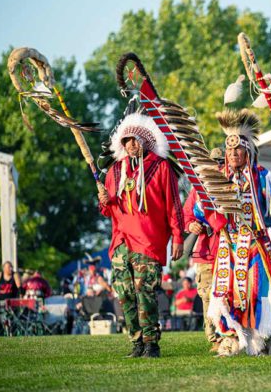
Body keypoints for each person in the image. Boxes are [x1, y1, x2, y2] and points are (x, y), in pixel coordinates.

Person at [200, 109, 271, 357]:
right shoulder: (218, 178)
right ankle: (230, 337)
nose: (232, 154)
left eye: (237, 150)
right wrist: (212, 217)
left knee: (256, 290)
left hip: (255, 244)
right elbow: (203, 209)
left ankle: (261, 339)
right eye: (229, 150)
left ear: (248, 151)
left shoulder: (263, 176)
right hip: (227, 245)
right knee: (224, 291)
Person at [99, 113, 185, 359]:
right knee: (124, 292)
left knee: (143, 290)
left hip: (148, 239)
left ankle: (151, 343)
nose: (131, 145)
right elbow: (108, 209)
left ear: (145, 140)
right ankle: (136, 342)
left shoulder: (161, 166)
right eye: (126, 141)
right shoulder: (114, 171)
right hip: (121, 241)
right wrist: (104, 201)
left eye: (135, 139)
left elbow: (174, 205)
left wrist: (178, 236)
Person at [183, 186, 219, 350]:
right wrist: (191, 226)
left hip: (229, 249)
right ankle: (215, 339)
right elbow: (186, 215)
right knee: (207, 296)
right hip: (206, 251)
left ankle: (231, 334)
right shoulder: (198, 188)